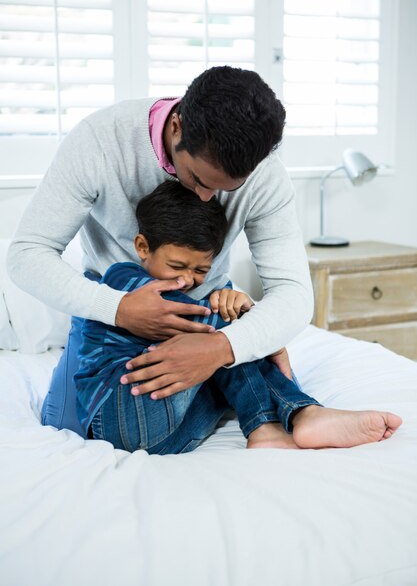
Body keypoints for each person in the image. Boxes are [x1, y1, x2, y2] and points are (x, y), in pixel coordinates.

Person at [7, 66, 402, 448]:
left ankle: (286, 415)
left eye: (225, 188)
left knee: (240, 329)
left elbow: (293, 293)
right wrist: (120, 307)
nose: (205, 199)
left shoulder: (265, 174)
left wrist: (228, 345)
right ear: (176, 125)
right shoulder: (100, 142)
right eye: (197, 179)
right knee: (64, 423)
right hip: (111, 313)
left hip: (208, 313)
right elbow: (27, 254)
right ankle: (269, 406)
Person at [74, 181, 402, 454]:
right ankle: (290, 416)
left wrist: (239, 301)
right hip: (118, 413)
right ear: (143, 247)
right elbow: (205, 324)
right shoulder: (122, 278)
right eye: (177, 267)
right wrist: (247, 322)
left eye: (201, 270)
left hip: (167, 438)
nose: (187, 279)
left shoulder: (203, 290)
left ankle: (277, 422)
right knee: (229, 335)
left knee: (224, 362)